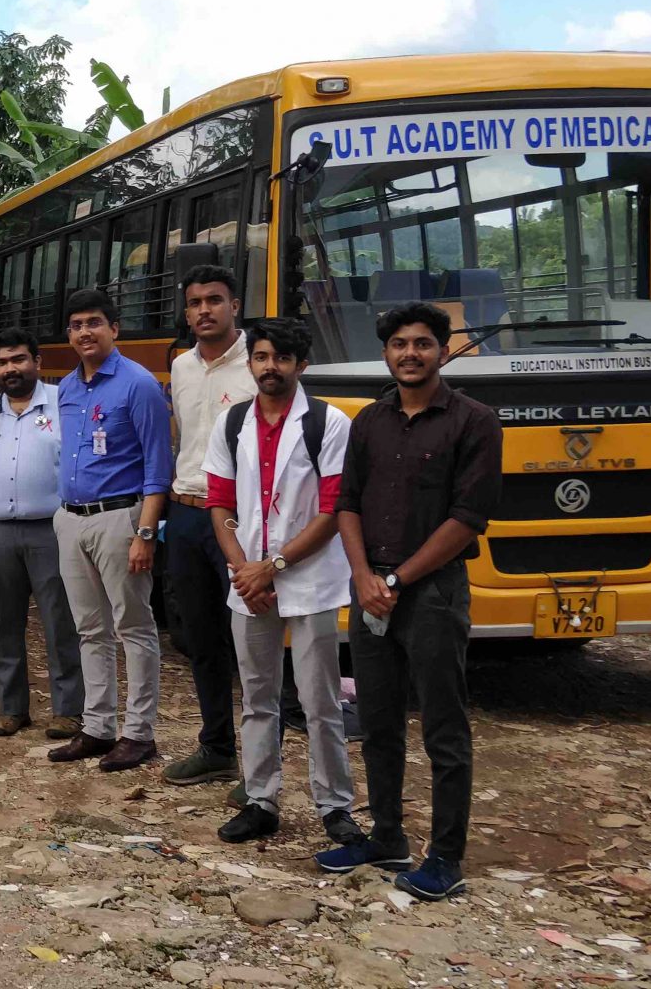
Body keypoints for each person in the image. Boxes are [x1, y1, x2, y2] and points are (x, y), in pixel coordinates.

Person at [316, 302, 501, 902]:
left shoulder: (474, 422)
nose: (411, 353)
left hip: (433, 593)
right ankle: (386, 835)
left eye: (423, 343)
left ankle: (446, 856)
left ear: (443, 351)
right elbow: (347, 504)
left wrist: (395, 583)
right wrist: (365, 576)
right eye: (399, 344)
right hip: (369, 588)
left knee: (444, 726)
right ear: (387, 353)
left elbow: (467, 519)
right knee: (378, 720)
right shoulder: (370, 421)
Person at [201, 318, 361, 846]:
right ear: (251, 363)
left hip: (308, 578)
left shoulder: (328, 423)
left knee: (320, 700)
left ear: (302, 365)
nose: (271, 367)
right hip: (249, 582)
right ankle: (261, 798)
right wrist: (245, 569)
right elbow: (220, 501)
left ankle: (335, 806)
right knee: (258, 696)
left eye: (282, 358)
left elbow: (334, 509)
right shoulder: (232, 424)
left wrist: (272, 566)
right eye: (262, 357)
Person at [47, 289, 173, 772]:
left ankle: (139, 733)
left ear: (114, 329)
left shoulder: (139, 385)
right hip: (71, 518)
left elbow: (158, 467)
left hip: (121, 518)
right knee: (90, 629)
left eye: (94, 323)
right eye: (76, 325)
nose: (85, 332)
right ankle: (98, 727)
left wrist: (145, 533)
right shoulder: (68, 388)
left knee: (134, 627)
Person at [0, 328, 85, 739]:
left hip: (51, 532)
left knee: (59, 623)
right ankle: (12, 709)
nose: (11, 369)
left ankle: (68, 710)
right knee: (3, 626)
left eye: (19, 360)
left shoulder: (64, 405)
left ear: (37, 362)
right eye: (2, 362)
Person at [160, 265, 259, 791]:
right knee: (200, 638)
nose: (203, 311)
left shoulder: (257, 366)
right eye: (194, 302)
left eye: (214, 300)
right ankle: (217, 747)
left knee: (252, 642)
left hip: (238, 520)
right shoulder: (181, 366)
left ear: (234, 305)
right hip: (185, 513)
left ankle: (262, 766)